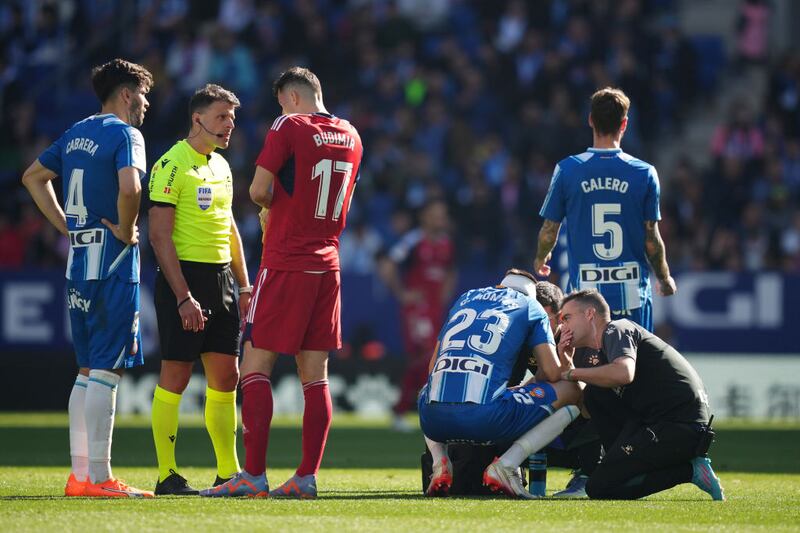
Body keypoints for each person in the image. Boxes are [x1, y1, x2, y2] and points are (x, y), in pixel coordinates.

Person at [202, 67, 362, 499]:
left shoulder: (289, 124)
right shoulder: (351, 135)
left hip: (286, 259)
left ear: (291, 97)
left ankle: (253, 475)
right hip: (328, 264)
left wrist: (271, 207)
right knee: (316, 376)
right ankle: (306, 477)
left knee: (255, 365)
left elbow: (257, 190)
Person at [21, 59, 154, 498]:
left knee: (84, 371)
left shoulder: (76, 132)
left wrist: (65, 228)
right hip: (113, 261)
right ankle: (100, 477)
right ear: (126, 93)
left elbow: (33, 177)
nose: (146, 104)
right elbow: (131, 188)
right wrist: (125, 225)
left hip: (78, 261)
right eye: (143, 95)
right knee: (107, 371)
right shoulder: (125, 134)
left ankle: (80, 476)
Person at [148, 84, 250, 495]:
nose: (230, 125)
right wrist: (183, 296)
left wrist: (244, 284)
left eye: (232, 118)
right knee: (176, 374)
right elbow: (158, 236)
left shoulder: (221, 166)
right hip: (185, 279)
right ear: (198, 119)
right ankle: (166, 475)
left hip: (223, 279)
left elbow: (228, 227)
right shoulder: (172, 164)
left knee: (227, 376)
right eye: (222, 116)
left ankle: (228, 473)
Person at [418, 269, 581, 499]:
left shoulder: (465, 299)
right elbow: (554, 373)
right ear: (531, 293)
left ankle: (439, 462)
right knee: (572, 389)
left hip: (432, 422)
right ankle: (506, 465)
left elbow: (431, 368)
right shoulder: (530, 306)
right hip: (485, 419)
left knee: (427, 389)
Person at [558, 289, 725, 500]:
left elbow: (623, 373)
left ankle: (689, 471)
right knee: (595, 393)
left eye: (567, 317)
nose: (563, 326)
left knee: (599, 488)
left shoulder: (615, 329)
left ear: (590, 314)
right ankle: (618, 464)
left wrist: (571, 373)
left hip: (679, 427)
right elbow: (586, 403)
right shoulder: (607, 346)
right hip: (662, 423)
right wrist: (567, 362)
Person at [535, 87, 676, 332]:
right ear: (624, 124)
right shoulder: (644, 173)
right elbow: (651, 238)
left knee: (587, 368)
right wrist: (664, 278)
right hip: (632, 293)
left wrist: (541, 257)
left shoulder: (567, 170)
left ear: (590, 120)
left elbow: (549, 229)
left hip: (585, 296)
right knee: (632, 367)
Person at [377, 200, 457, 431]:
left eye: (442, 215)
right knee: (426, 354)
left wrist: (443, 297)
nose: (440, 220)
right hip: (417, 310)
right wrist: (402, 294)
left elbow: (452, 271)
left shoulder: (447, 243)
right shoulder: (413, 240)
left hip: (434, 309)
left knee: (423, 357)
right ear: (424, 217)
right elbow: (387, 265)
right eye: (435, 215)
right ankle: (427, 409)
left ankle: (402, 410)